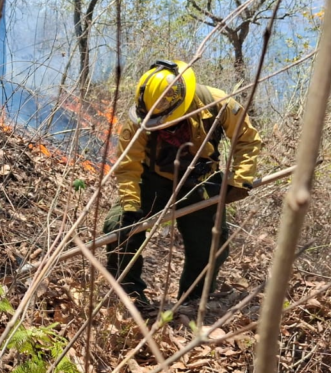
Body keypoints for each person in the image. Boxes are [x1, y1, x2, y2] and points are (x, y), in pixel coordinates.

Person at [103, 60, 261, 313]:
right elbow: (128, 165)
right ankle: (129, 295)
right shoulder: (138, 119)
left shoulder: (219, 104)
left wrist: (240, 178)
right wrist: (132, 205)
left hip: (201, 182)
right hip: (153, 179)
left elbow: (247, 138)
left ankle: (192, 301)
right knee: (118, 224)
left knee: (212, 245)